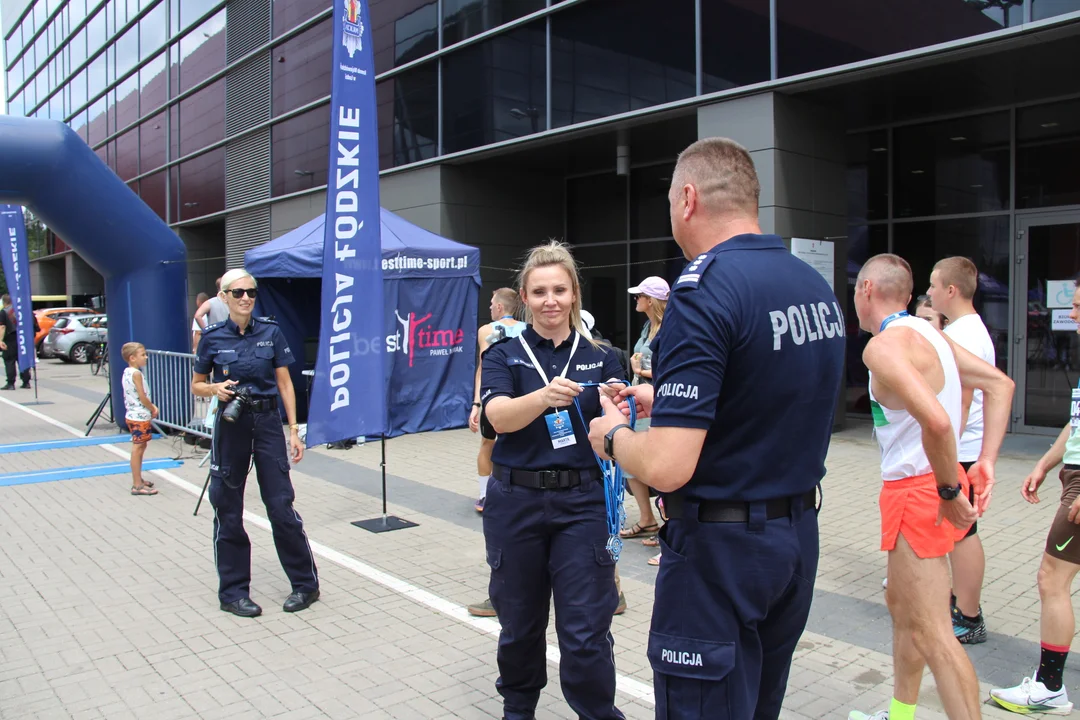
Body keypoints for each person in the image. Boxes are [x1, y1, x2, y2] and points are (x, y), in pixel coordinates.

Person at [588, 137, 845, 718]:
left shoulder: (703, 292)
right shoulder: (812, 286)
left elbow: (666, 467)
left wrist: (611, 434)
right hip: (796, 538)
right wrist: (673, 402)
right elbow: (777, 391)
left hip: (721, 553)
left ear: (687, 198)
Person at [847, 254, 1013, 720]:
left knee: (934, 631)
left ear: (866, 291)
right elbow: (1001, 387)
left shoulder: (882, 348)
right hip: (922, 486)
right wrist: (984, 464)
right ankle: (900, 714)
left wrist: (948, 490)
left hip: (921, 491)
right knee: (904, 611)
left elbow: (937, 424)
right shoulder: (931, 335)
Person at [481, 241, 625, 720]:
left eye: (559, 290)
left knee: (585, 629)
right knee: (520, 624)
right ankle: (518, 709)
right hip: (515, 500)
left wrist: (620, 409)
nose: (550, 301)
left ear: (574, 294)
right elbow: (497, 417)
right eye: (539, 291)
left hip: (581, 503)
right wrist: (542, 398)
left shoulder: (604, 356)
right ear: (524, 296)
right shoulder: (505, 354)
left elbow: (614, 432)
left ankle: (597, 712)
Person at [191, 269, 319, 618]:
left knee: (280, 505)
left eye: (251, 292)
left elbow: (285, 384)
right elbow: (197, 384)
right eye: (238, 293)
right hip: (230, 423)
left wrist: (294, 430)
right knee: (228, 507)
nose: (246, 298)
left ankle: (306, 586)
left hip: (266, 422)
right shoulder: (212, 337)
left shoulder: (271, 332)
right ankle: (233, 593)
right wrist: (214, 389)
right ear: (224, 297)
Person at [989, 277, 1080, 715]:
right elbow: (1078, 422)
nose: (1073, 313)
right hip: (1072, 477)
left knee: (1051, 579)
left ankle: (1048, 689)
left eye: (1079, 305)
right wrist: (1045, 463)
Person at [928, 257, 996, 645]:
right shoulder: (966, 329)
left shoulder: (965, 336)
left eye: (934, 286)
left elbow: (964, 399)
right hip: (963, 447)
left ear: (951, 290)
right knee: (961, 531)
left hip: (961, 449)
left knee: (963, 532)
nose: (930, 292)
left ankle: (969, 617)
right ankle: (962, 606)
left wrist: (944, 451)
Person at [619, 277, 669, 566]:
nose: (636, 299)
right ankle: (648, 519)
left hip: (656, 403)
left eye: (639, 295)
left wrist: (641, 370)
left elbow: (668, 371)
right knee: (629, 463)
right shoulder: (647, 327)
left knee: (659, 468)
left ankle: (668, 530)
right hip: (639, 402)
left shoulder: (670, 329)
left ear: (651, 300)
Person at [469, 288, 525, 514]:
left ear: (500, 307)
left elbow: (483, 368)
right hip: (523, 398)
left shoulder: (486, 331)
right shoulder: (528, 330)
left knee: (487, 443)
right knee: (522, 443)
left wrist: (476, 404)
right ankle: (519, 491)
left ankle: (484, 494)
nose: (490, 307)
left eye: (492, 303)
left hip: (494, 397)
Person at [122, 342, 159, 496]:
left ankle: (139, 479)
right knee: (138, 448)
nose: (146, 357)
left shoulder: (127, 372)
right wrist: (153, 407)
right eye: (142, 355)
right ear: (132, 358)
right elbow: (142, 396)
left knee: (141, 446)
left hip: (134, 414)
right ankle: (137, 485)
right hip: (139, 416)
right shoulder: (136, 374)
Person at [0, 294, 31, 390]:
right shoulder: (21, 311)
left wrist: (0, 340)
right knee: (22, 359)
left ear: (4, 302)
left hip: (10, 338)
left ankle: (10, 383)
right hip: (22, 338)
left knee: (9, 360)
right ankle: (26, 382)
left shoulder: (4, 312)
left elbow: (2, 326)